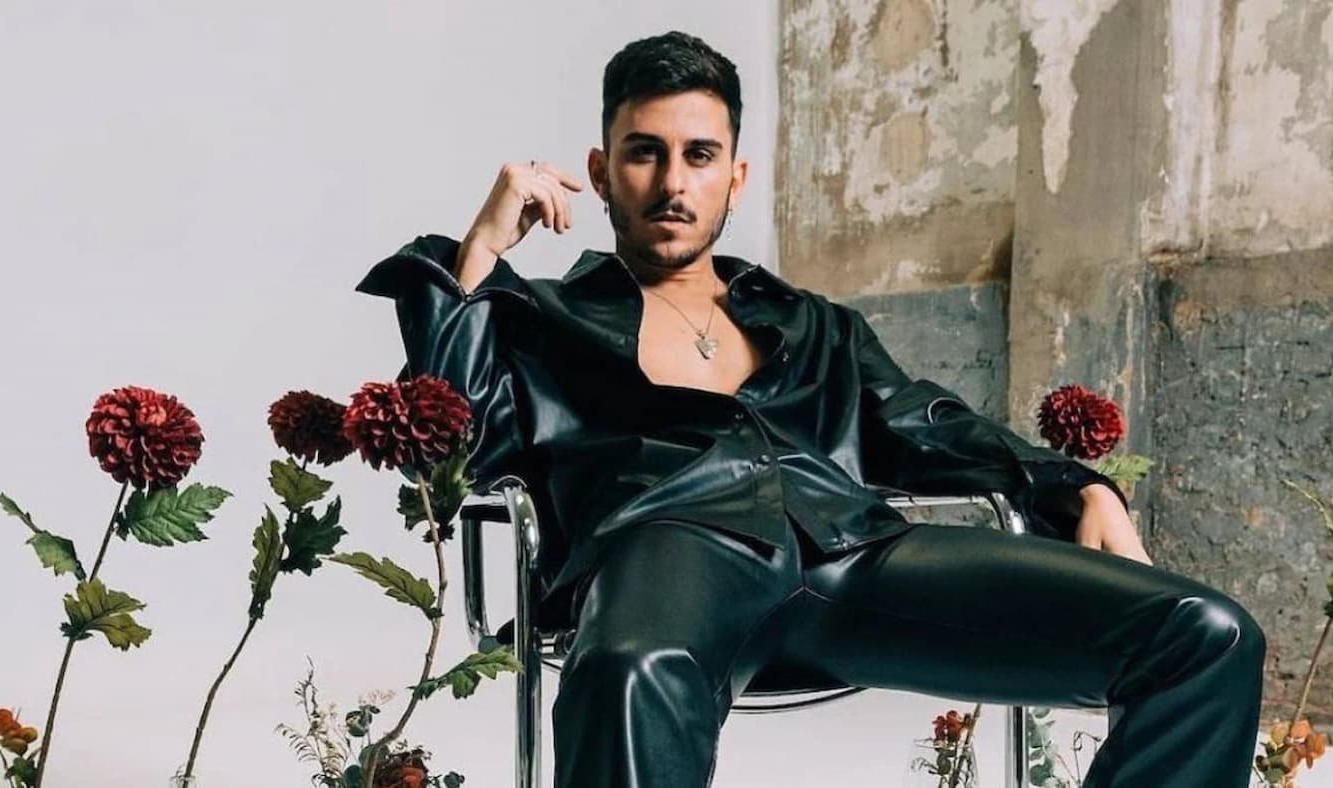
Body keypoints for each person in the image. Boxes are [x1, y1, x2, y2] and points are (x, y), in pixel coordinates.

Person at [356, 30, 1265, 788]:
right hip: (669, 548)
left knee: (1203, 637)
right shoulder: (548, 319)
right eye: (644, 153)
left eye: (699, 156)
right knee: (630, 669)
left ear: (735, 177)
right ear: (600, 171)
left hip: (852, 556)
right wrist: (480, 251)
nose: (673, 183)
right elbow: (454, 442)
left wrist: (1079, 485)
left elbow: (928, 422)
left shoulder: (811, 324)